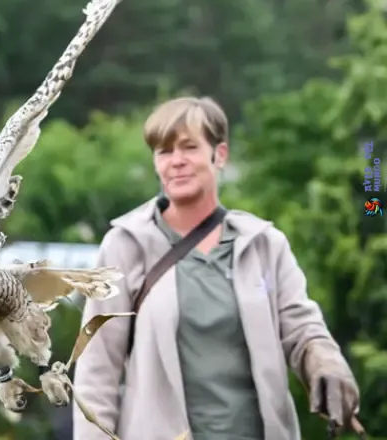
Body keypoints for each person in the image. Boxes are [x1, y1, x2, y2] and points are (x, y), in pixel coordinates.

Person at [71, 97, 360, 440]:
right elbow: (96, 372)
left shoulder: (264, 245)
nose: (176, 161)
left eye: (189, 147)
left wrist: (324, 361)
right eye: (164, 151)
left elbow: (302, 329)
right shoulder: (126, 246)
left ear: (219, 155)